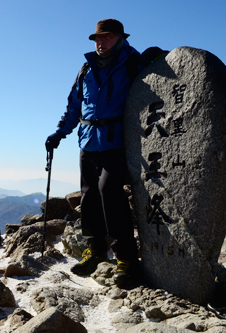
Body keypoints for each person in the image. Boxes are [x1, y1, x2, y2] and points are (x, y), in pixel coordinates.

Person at [45, 19, 144, 287]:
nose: (101, 43)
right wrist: (59, 133)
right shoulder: (86, 68)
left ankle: (126, 258)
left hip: (116, 142)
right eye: (98, 38)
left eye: (108, 37)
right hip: (87, 142)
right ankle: (96, 251)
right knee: (88, 198)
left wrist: (158, 57)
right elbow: (74, 106)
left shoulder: (132, 62)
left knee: (109, 192)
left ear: (120, 38)